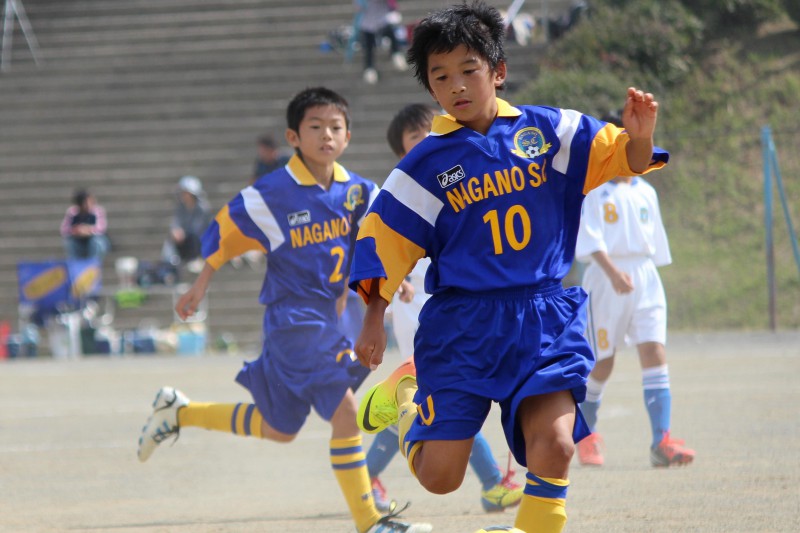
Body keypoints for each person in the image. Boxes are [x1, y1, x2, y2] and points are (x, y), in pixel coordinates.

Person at [348, 2, 669, 532]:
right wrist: (373, 315)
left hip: (543, 317)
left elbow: (627, 161)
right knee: (440, 477)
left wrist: (638, 136)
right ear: (430, 88)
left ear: (498, 71)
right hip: (463, 327)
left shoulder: (553, 132)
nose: (457, 85)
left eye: (469, 70)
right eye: (441, 76)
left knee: (558, 445)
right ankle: (405, 398)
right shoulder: (424, 165)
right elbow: (383, 241)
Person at [137, 87, 431, 533]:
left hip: (323, 321)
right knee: (347, 411)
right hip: (292, 320)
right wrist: (201, 281)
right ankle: (370, 522)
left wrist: (400, 280)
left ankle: (178, 411)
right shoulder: (272, 193)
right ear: (294, 137)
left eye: (335, 128)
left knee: (280, 427)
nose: (326, 136)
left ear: (348, 136)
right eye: (315, 127)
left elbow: (375, 241)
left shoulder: (358, 192)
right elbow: (222, 229)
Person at [365, 103, 523, 514]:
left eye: (434, 132)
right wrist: (392, 285)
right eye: (416, 140)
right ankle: (491, 485)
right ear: (403, 154)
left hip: (460, 310)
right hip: (420, 311)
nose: (430, 143)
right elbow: (381, 250)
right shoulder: (400, 191)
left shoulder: (467, 179)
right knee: (456, 396)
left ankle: (365, 474)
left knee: (434, 403)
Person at [574, 113, 695, 469]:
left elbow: (654, 243)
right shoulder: (595, 188)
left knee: (654, 351)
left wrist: (646, 278)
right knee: (602, 363)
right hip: (605, 276)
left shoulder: (647, 190)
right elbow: (589, 237)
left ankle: (662, 440)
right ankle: (586, 436)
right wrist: (612, 272)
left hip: (644, 276)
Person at [161, 175, 212, 273]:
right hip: (183, 240)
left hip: (199, 242)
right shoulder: (181, 208)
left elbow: (199, 229)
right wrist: (176, 231)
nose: (184, 196)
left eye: (186, 193)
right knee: (171, 238)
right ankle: (171, 261)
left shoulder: (202, 209)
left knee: (192, 238)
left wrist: (184, 233)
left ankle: (196, 259)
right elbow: (175, 223)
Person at [355, 0, 408, 85]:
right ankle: (369, 69)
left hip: (382, 20)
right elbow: (359, 6)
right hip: (367, 23)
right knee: (369, 48)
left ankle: (396, 54)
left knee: (391, 36)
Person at [60, 188, 110, 262]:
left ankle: (93, 265)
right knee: (69, 243)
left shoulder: (97, 211)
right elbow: (64, 230)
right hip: (79, 242)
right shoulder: (72, 213)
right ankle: (75, 266)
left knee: (97, 242)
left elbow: (101, 229)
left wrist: (88, 230)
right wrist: (76, 231)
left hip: (93, 242)